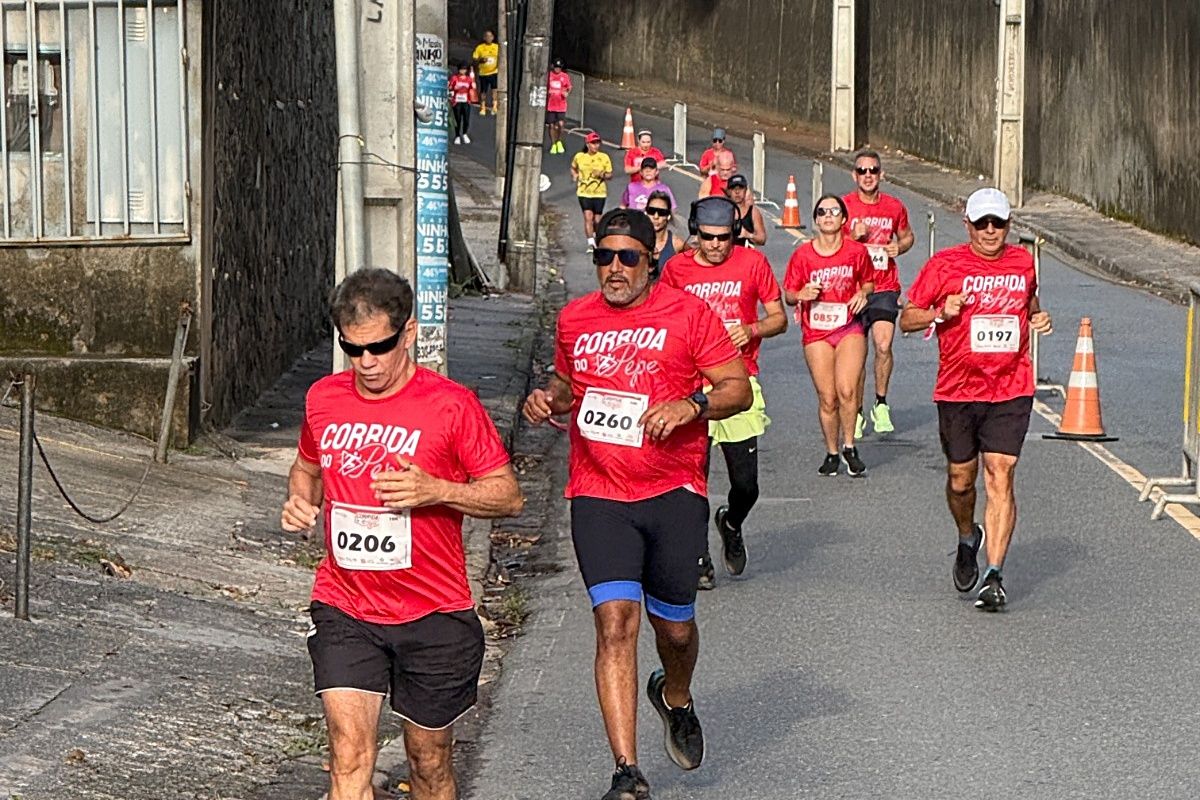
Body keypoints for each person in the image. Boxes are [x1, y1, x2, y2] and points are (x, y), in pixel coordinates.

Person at [522, 209, 751, 800]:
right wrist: (547, 398)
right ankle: (627, 772)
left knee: (673, 630)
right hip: (598, 492)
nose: (615, 269)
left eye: (628, 257)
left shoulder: (688, 313)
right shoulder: (575, 318)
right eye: (604, 257)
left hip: (673, 490)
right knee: (615, 623)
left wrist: (691, 406)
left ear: (652, 260)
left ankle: (675, 697)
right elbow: (570, 385)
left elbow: (735, 387)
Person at [281, 268, 524, 800]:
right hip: (347, 605)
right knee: (348, 759)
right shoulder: (324, 398)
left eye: (380, 347)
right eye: (353, 349)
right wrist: (301, 499)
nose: (366, 362)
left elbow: (508, 495)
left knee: (429, 765)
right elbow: (307, 467)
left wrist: (435, 489)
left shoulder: (452, 405)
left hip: (433, 612)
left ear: (408, 334)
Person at [899, 188, 1052, 611]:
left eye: (998, 223)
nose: (990, 231)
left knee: (1000, 474)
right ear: (967, 224)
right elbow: (907, 319)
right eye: (982, 223)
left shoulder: (1023, 263)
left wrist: (1037, 315)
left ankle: (995, 574)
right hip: (958, 389)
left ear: (1008, 225)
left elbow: (1028, 299)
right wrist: (938, 313)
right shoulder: (944, 265)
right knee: (961, 481)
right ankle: (968, 537)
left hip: (1011, 387)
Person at [660, 197, 787, 590]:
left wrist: (750, 331)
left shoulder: (753, 264)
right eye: (708, 238)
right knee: (693, 478)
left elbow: (780, 318)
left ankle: (730, 522)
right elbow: (661, 321)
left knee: (746, 484)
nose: (716, 246)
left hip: (738, 382)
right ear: (695, 234)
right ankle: (698, 557)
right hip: (689, 385)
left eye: (724, 238)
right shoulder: (676, 269)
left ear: (735, 233)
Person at [783, 194, 874, 477]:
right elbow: (788, 295)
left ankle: (850, 446)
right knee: (827, 397)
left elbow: (869, 282)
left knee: (847, 389)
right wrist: (801, 294)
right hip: (817, 330)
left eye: (834, 211)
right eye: (822, 212)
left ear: (844, 219)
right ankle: (832, 452)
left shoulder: (856, 252)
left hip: (848, 327)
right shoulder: (803, 255)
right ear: (816, 220)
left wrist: (862, 293)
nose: (828, 216)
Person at [842, 150, 914, 438]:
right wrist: (852, 238)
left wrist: (901, 247)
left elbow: (907, 235)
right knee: (857, 355)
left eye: (873, 170)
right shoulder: (844, 207)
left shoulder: (894, 206)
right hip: (854, 289)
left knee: (883, 345)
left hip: (884, 286)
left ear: (881, 174)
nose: (868, 175)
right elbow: (827, 242)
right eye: (862, 171)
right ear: (854, 175)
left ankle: (880, 404)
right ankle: (856, 411)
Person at [571, 131, 614, 252]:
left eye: (597, 143)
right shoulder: (580, 156)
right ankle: (590, 243)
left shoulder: (604, 157)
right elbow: (573, 167)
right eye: (593, 143)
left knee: (597, 220)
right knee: (588, 217)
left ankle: (596, 236)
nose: (596, 146)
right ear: (587, 144)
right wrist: (575, 175)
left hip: (599, 192)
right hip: (584, 192)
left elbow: (610, 175)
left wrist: (601, 174)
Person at [646, 190, 686, 271]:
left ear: (668, 216)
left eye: (661, 212)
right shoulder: (636, 241)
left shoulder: (678, 245)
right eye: (652, 211)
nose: (656, 216)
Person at [725, 174, 767, 248]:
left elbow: (762, 239)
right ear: (728, 191)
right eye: (733, 188)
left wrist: (748, 234)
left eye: (740, 188)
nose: (737, 192)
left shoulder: (753, 212)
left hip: (746, 254)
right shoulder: (722, 211)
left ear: (746, 190)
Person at [546, 59, 572, 154]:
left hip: (561, 105)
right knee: (552, 125)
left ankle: (559, 142)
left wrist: (566, 93)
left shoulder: (564, 76)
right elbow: (545, 86)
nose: (558, 69)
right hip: (551, 105)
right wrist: (547, 92)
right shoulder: (549, 76)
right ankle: (553, 144)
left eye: (559, 68)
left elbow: (569, 87)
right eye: (556, 67)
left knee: (561, 124)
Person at [471, 30, 500, 115]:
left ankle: (494, 106)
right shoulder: (480, 48)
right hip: (483, 73)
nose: (488, 38)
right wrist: (481, 60)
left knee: (494, 89)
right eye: (487, 36)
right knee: (483, 91)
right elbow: (475, 60)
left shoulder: (497, 47)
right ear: (484, 38)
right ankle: (482, 107)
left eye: (490, 36)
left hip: (494, 72)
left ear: (493, 38)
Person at [448, 62, 477, 145]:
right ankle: (457, 136)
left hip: (466, 101)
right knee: (458, 119)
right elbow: (450, 87)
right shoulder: (454, 78)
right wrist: (454, 88)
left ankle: (464, 134)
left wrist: (473, 85)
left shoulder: (469, 79)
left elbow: (473, 88)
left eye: (464, 69)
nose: (463, 71)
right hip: (457, 101)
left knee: (466, 119)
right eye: (461, 69)